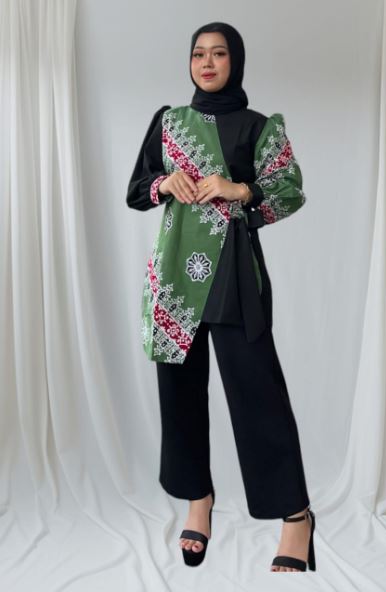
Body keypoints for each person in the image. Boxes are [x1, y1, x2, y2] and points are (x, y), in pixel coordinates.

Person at [126, 21, 316, 572]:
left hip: (233, 274)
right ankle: (198, 499)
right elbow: (137, 189)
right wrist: (165, 184)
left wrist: (242, 189)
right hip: (175, 278)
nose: (207, 63)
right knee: (180, 395)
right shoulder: (170, 123)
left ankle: (296, 516)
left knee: (258, 393)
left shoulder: (259, 127)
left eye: (219, 54)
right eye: (198, 54)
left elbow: (290, 191)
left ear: (236, 61)